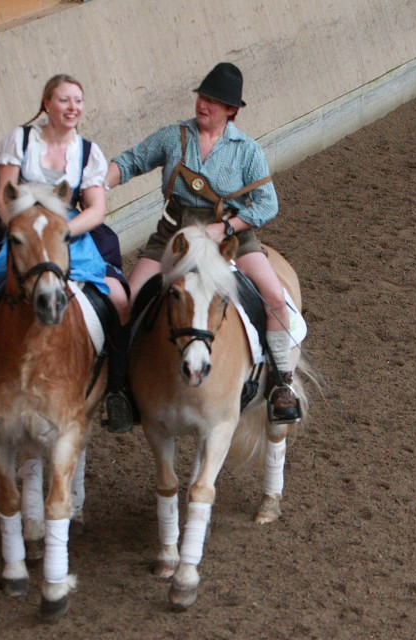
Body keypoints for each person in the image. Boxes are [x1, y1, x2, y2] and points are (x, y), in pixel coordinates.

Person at [105, 62, 301, 424]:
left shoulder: (247, 151)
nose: (203, 105)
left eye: (213, 101)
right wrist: (100, 183)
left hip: (232, 240)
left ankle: (280, 384)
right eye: (202, 97)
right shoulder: (173, 137)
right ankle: (118, 388)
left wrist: (226, 228)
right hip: (173, 237)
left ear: (231, 110)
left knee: (274, 297)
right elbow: (130, 162)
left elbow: (267, 204)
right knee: (126, 302)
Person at [0, 74, 130, 429]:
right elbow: (4, 193)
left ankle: (117, 390)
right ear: (47, 104)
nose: (72, 107)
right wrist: (19, 228)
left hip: (68, 232)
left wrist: (63, 233)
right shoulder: (21, 139)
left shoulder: (88, 153)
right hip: (21, 228)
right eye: (64, 100)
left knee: (119, 300)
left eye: (77, 100)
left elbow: (95, 209)